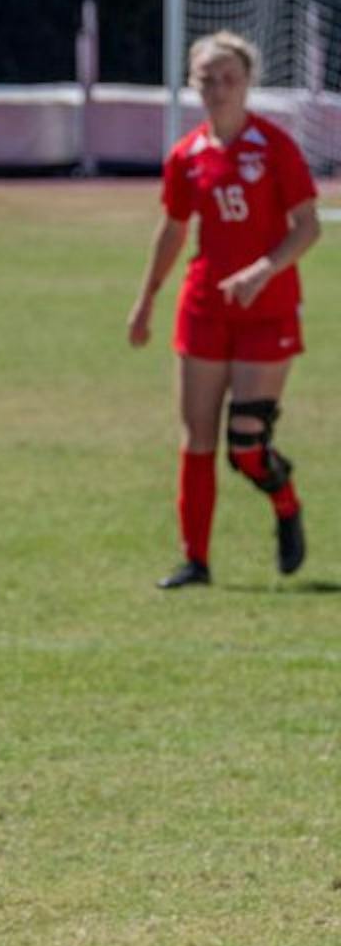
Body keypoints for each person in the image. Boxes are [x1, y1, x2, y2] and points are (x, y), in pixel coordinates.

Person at [127, 30, 320, 588]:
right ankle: (196, 561)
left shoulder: (275, 146)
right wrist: (146, 301)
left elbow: (308, 228)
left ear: (248, 84)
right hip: (205, 307)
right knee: (199, 437)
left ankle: (285, 501)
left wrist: (263, 270)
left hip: (269, 308)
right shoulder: (187, 156)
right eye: (207, 79)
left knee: (246, 444)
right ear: (194, 84)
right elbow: (172, 230)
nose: (217, 89)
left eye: (228, 78)